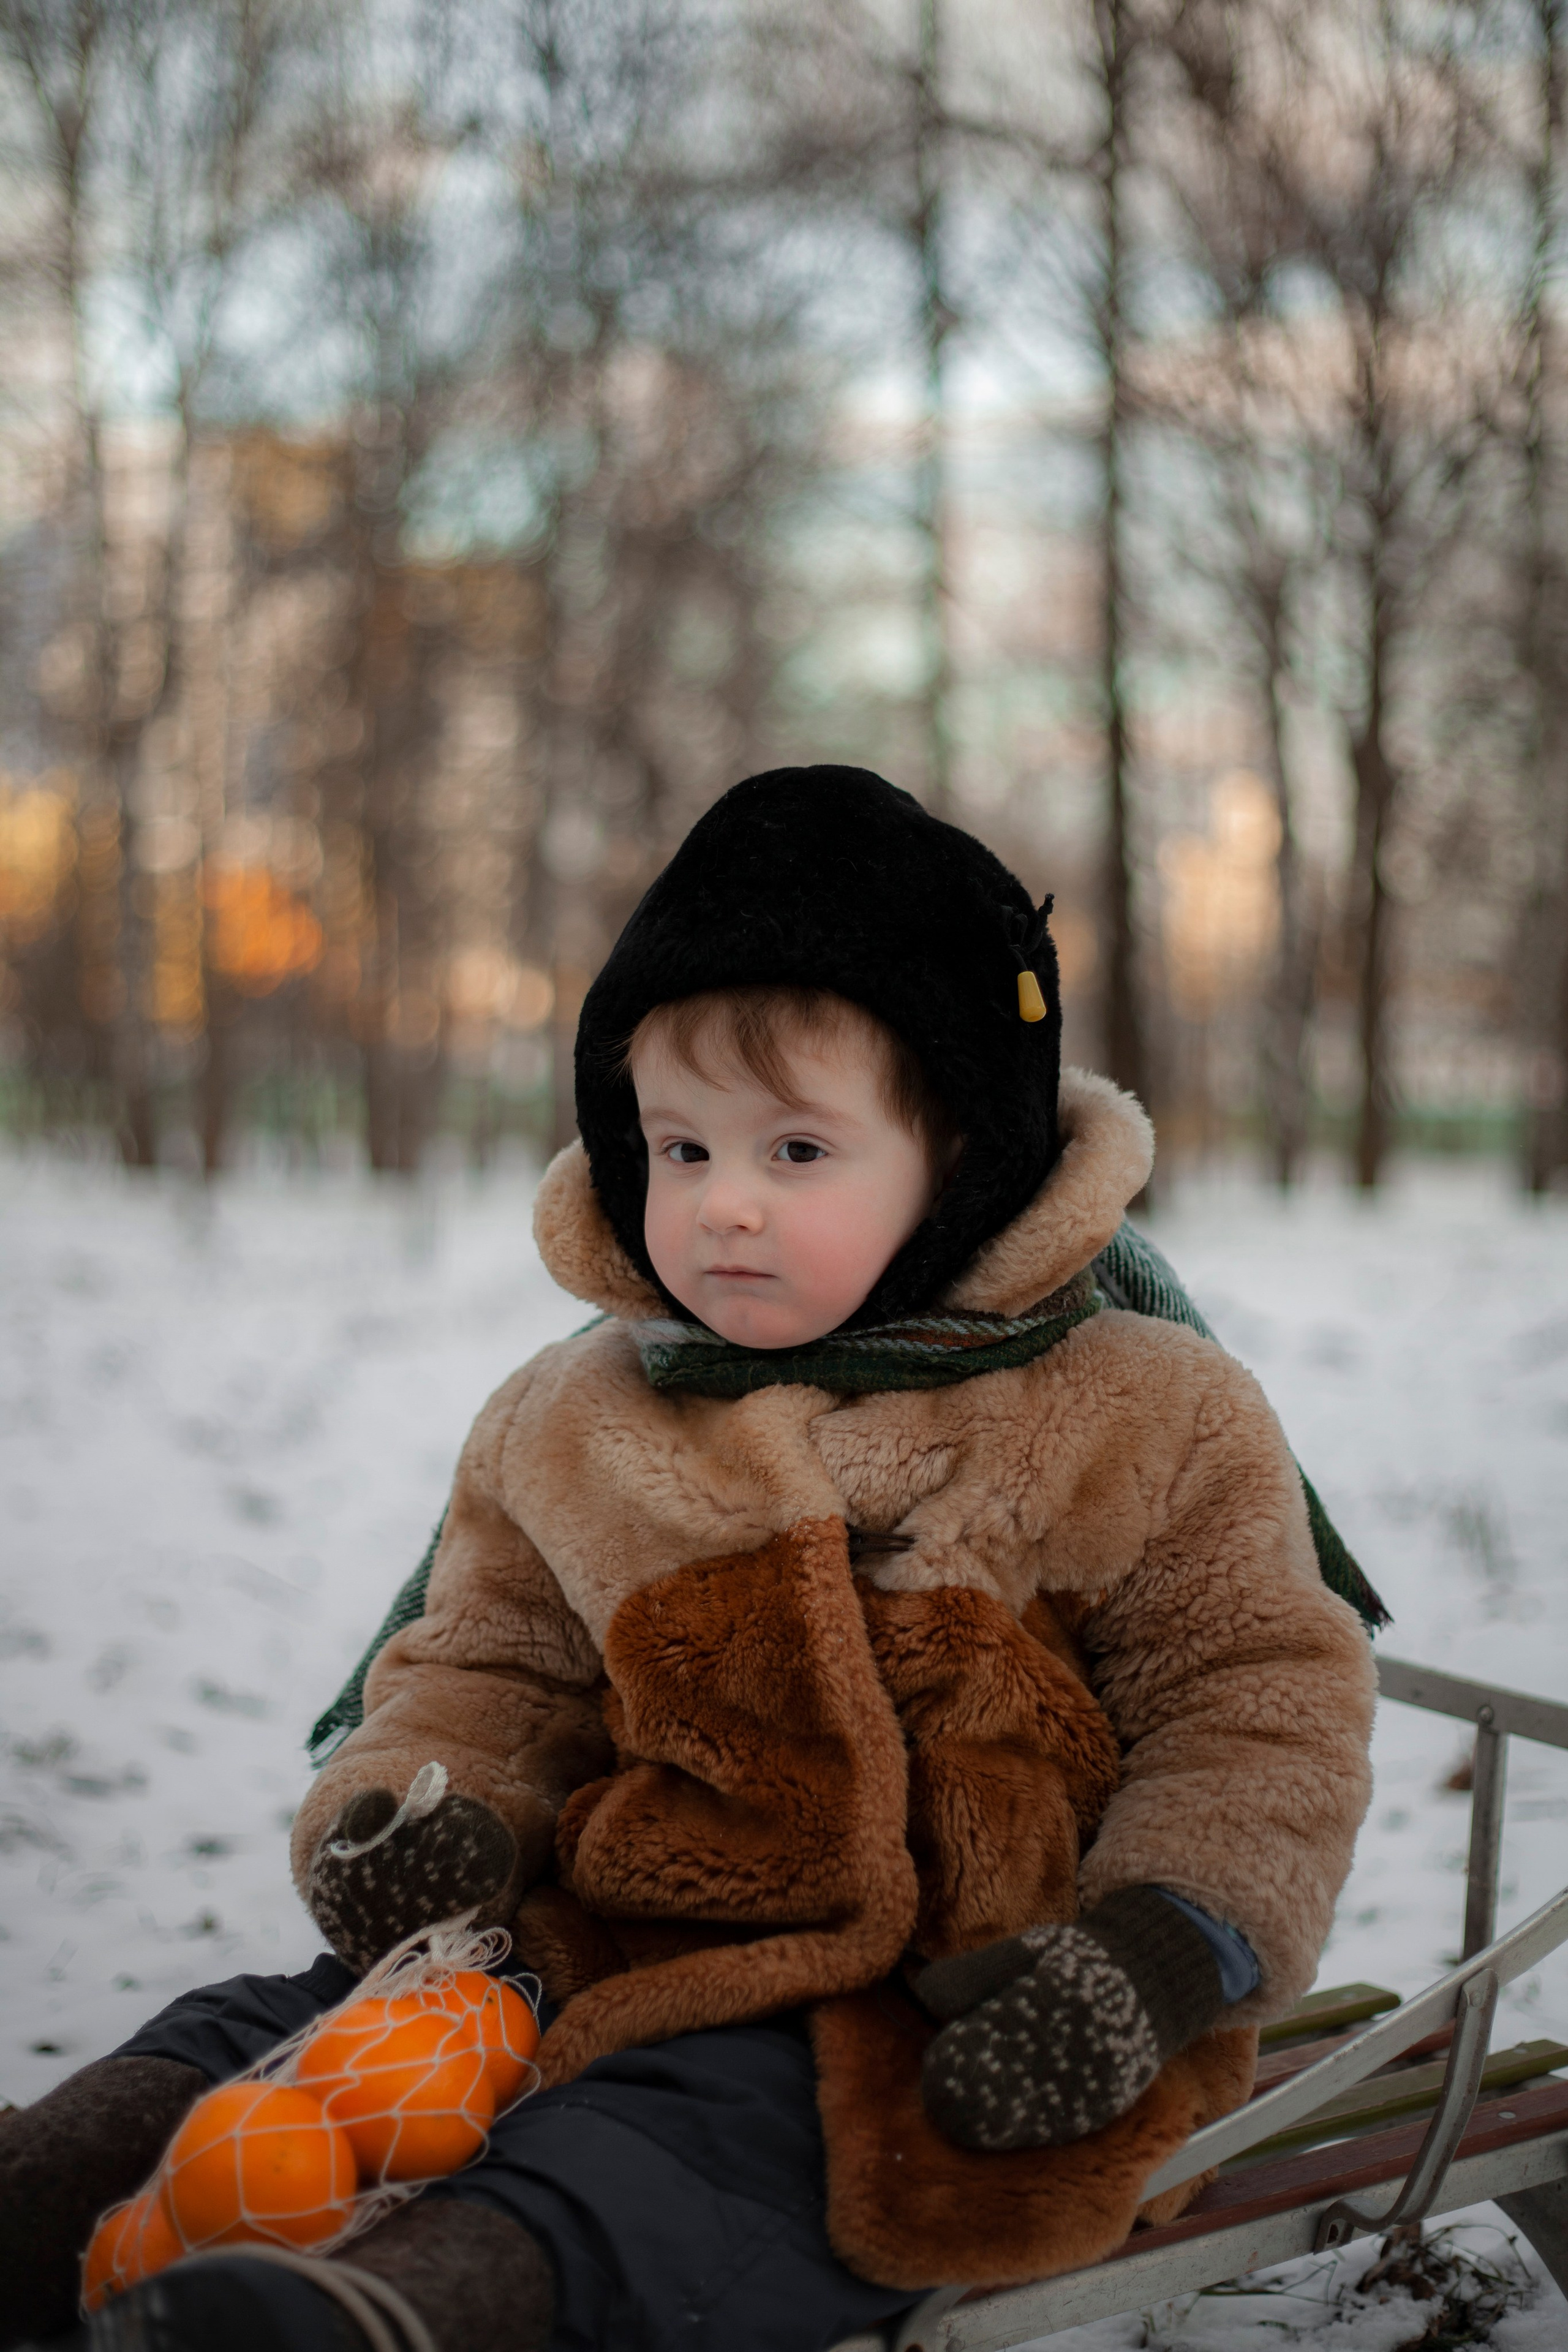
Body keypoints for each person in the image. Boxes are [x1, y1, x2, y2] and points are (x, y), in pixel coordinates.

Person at [1, 769, 1377, 2352]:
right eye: (681, 1148)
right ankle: (43, 2193)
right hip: (604, 1935)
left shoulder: (1132, 1406)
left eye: (797, 1153)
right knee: (270, 2032)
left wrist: (1155, 1950)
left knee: (674, 2152)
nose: (722, 1209)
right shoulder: (578, 1415)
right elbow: (484, 1668)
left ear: (960, 1152)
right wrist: (413, 1819)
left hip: (973, 2011)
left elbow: (1260, 1702)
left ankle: (389, 2316)